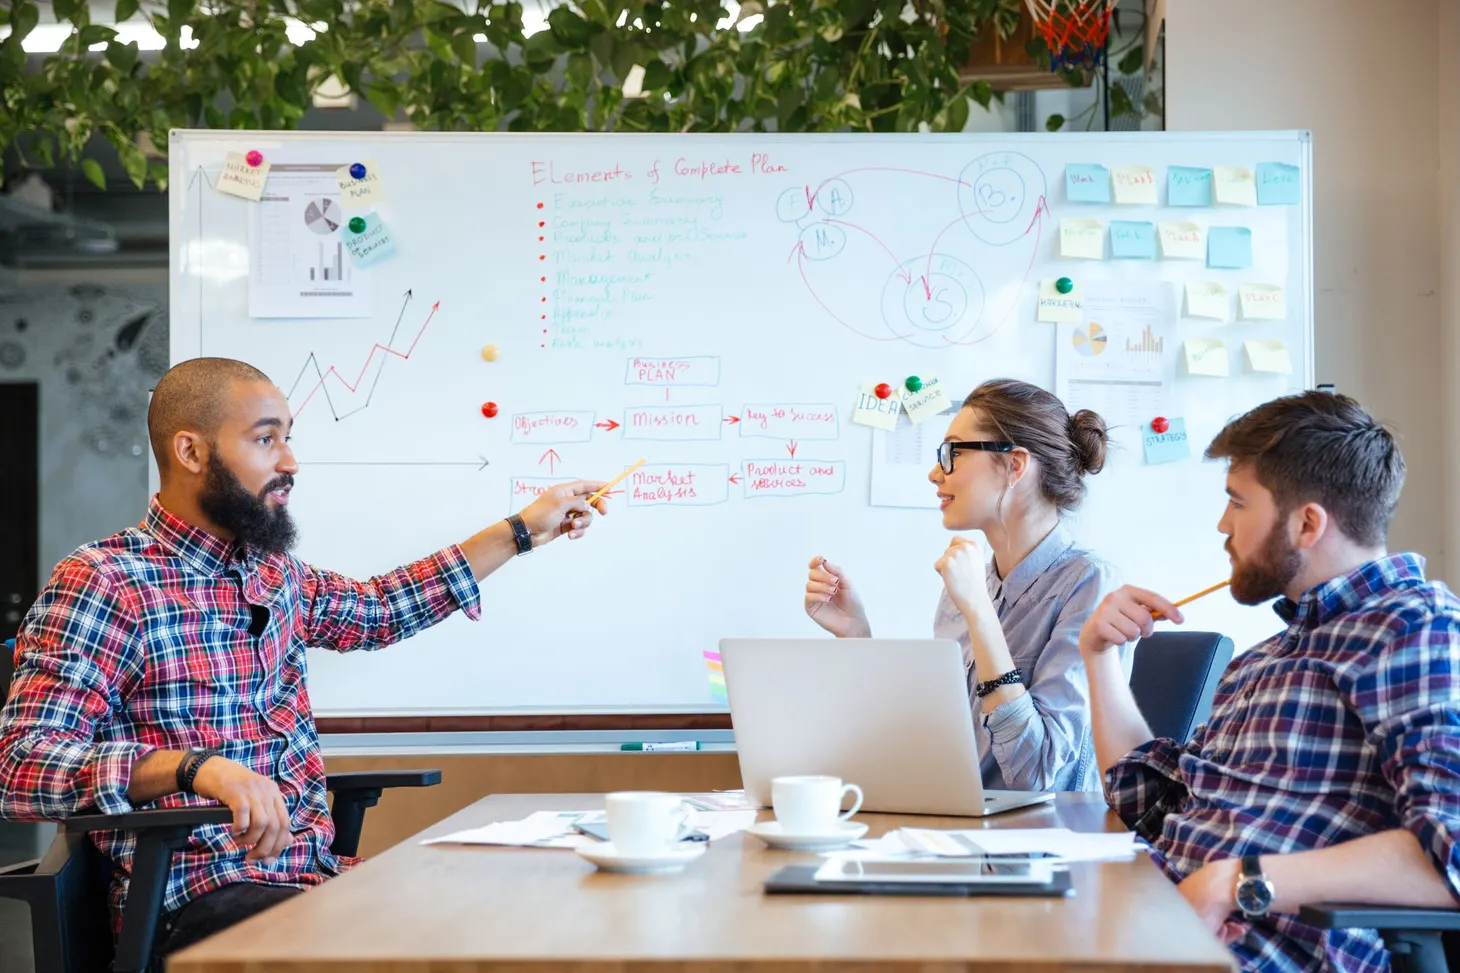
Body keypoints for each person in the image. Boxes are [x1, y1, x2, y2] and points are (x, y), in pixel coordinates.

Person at [0, 357, 611, 956]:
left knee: (498, 913)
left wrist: (524, 529)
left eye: (287, 439)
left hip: (310, 878)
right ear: (191, 452)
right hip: (196, 903)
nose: (290, 462)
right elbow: (26, 767)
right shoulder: (104, 581)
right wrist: (194, 768)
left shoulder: (273, 574)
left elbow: (379, 610)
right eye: (266, 440)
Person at [1080, 391, 1460, 973]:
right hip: (1158, 926)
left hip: (1255, 953)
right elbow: (1149, 804)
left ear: (1307, 523)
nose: (1222, 525)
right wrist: (1099, 655)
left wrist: (1238, 881)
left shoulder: (1416, 629)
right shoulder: (1268, 658)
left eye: (1237, 503)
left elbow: (1450, 849)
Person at [803, 379, 1121, 792]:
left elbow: (1038, 774)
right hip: (958, 830)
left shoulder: (1090, 584)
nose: (936, 473)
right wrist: (857, 636)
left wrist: (979, 610)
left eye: (952, 453)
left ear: (1015, 465)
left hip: (1040, 844)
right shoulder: (971, 582)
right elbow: (931, 745)